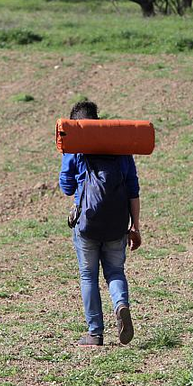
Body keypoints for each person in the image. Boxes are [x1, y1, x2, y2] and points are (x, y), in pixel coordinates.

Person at [59, 100, 142, 347]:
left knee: (88, 276)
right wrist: (135, 226)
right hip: (117, 222)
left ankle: (95, 333)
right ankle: (121, 305)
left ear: (76, 125)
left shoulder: (75, 148)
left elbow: (66, 187)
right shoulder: (120, 146)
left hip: (87, 224)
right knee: (115, 271)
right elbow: (133, 189)